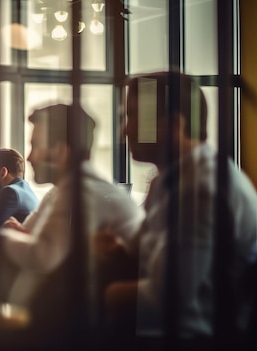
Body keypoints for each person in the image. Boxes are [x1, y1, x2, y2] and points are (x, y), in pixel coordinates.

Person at [0, 104, 145, 351]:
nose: (29, 157)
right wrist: (20, 238)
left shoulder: (84, 192)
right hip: (51, 318)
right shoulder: (60, 191)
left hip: (73, 333)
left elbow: (41, 254)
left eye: (35, 146)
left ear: (61, 151)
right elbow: (27, 233)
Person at [96, 71, 257, 346]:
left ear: (173, 124)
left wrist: (105, 294)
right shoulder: (172, 179)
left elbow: (169, 300)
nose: (125, 130)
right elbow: (145, 246)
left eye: (132, 116)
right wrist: (117, 249)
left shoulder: (199, 189)